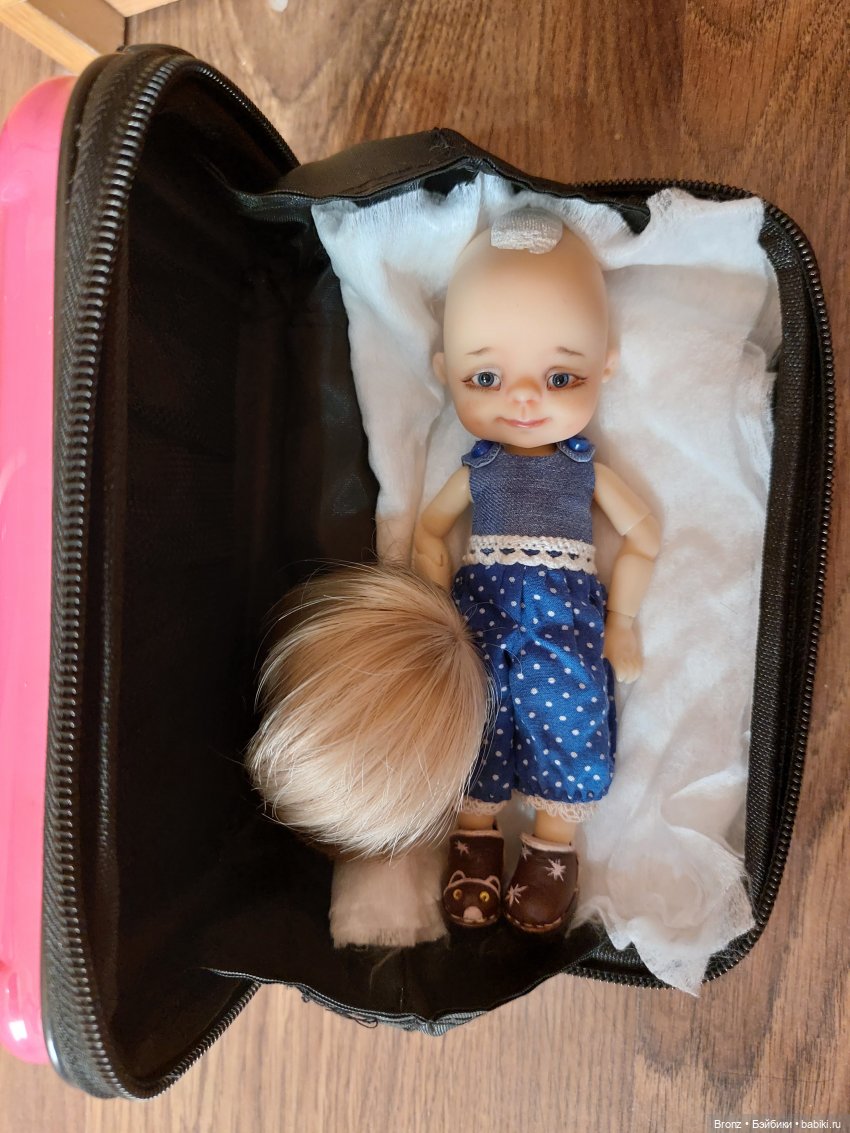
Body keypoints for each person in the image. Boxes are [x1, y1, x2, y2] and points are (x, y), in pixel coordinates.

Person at [412, 209, 660, 935]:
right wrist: (433, 602)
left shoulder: (585, 471)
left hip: (567, 619)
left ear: (605, 367)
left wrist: (623, 622)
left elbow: (643, 535)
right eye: (486, 377)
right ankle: (475, 835)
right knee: (476, 707)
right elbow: (430, 530)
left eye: (560, 376)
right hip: (480, 611)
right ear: (446, 374)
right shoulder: (478, 468)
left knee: (572, 712)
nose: (523, 399)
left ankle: (553, 846)